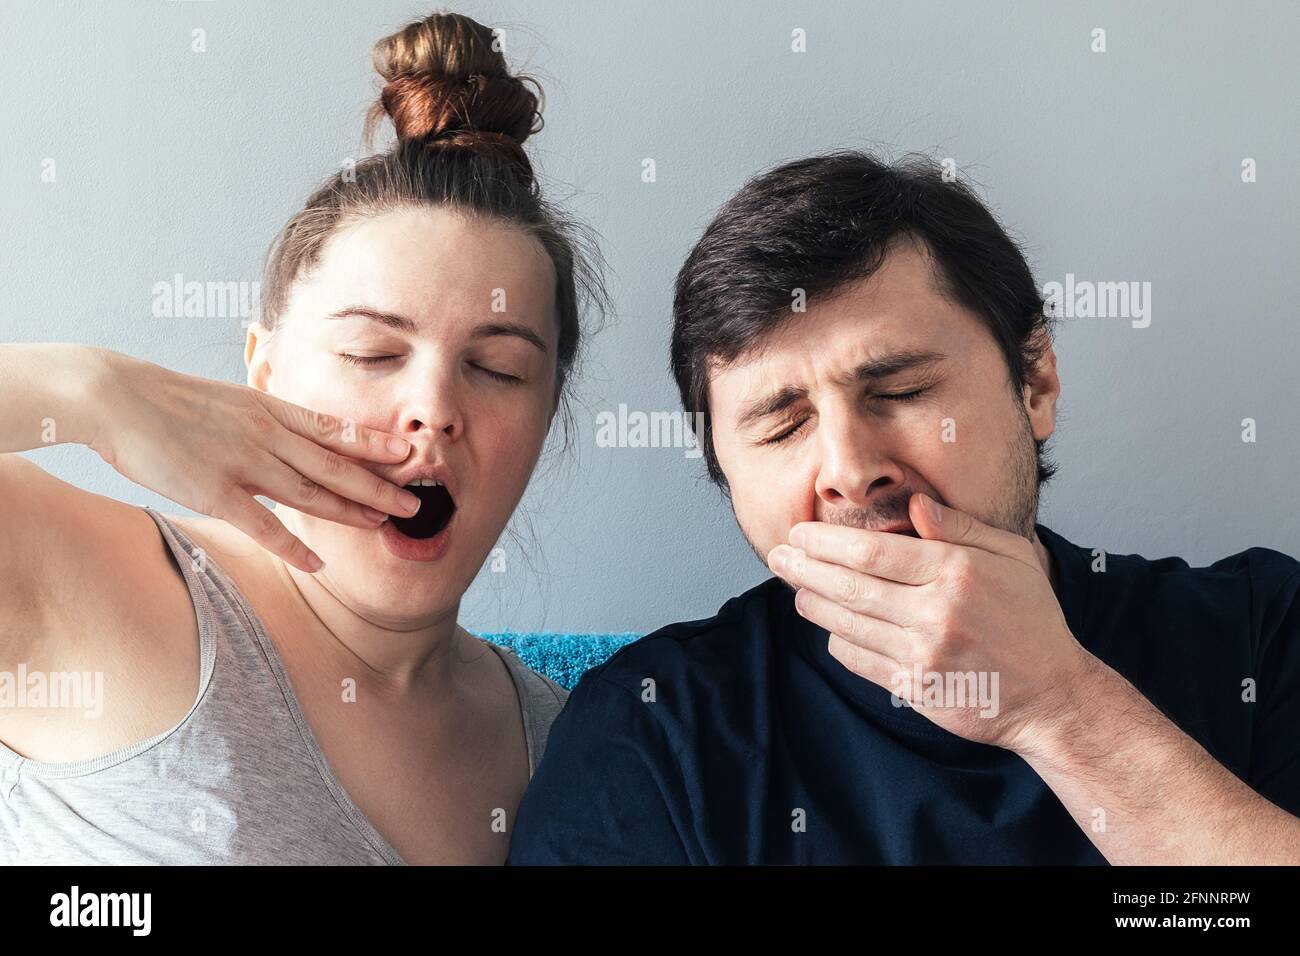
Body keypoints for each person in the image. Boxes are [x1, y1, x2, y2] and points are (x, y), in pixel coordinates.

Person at [509, 151, 1300, 864]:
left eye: (902, 391)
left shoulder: (1262, 638)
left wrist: (1055, 703)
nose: (850, 471)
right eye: (784, 424)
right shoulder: (649, 737)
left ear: (1036, 384)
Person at [0, 11, 605, 865]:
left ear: (549, 416)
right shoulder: (101, 594)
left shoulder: (578, 744)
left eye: (499, 369)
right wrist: (97, 391)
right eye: (373, 352)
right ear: (265, 369)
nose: (433, 407)